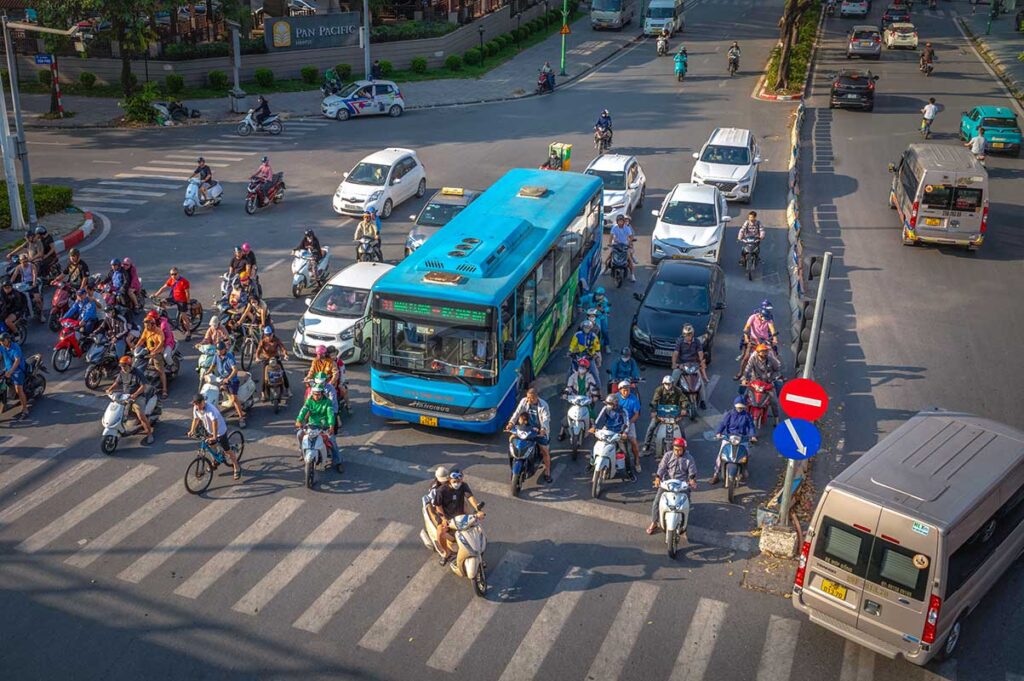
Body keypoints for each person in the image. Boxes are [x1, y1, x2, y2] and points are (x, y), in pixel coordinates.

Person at [432, 469, 485, 564]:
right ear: (449, 480)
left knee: (476, 528)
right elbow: (438, 506)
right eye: (454, 482)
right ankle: (446, 553)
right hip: (447, 517)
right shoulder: (441, 490)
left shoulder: (464, 486)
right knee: (440, 532)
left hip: (460, 515)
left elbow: (470, 498)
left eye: (459, 481)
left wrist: (478, 510)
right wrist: (444, 519)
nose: (457, 483)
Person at [646, 437, 697, 534]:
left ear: (684, 449)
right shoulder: (668, 455)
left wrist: (692, 480)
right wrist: (658, 478)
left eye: (679, 450)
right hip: (667, 483)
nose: (677, 452)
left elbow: (692, 472)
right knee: (657, 502)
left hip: (681, 484)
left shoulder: (689, 458)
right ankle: (654, 522)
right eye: (675, 449)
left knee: (687, 503)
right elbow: (662, 467)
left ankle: (683, 521)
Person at [189, 393, 241, 479]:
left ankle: (236, 466)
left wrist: (215, 436)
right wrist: (192, 431)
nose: (196, 406)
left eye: (198, 404)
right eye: (195, 404)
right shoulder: (196, 408)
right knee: (210, 445)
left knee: (227, 451)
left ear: (203, 402)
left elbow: (214, 422)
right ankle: (215, 461)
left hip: (220, 431)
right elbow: (196, 419)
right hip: (209, 430)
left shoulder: (210, 409)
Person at [507, 387, 552, 484]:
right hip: (525, 428)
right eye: (527, 397)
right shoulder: (524, 401)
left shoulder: (543, 405)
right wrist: (511, 423)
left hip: (538, 431)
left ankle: (547, 472)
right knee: (512, 440)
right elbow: (517, 413)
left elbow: (545, 419)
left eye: (530, 398)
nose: (528, 400)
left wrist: (543, 429)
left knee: (544, 451)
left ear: (536, 397)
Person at [106, 355, 155, 444]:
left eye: (124, 366)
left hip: (138, 397)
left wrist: (135, 394)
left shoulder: (137, 373)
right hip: (125, 396)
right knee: (119, 410)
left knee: (140, 415)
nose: (122, 368)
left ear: (130, 365)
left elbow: (143, 386)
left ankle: (149, 434)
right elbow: (117, 382)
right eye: (121, 366)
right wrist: (110, 389)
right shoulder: (122, 373)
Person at [295, 382, 342, 473]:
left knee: (332, 440)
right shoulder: (309, 401)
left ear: (322, 393)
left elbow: (330, 415)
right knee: (299, 434)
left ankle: (338, 462)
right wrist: (298, 420)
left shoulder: (327, 402)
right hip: (312, 425)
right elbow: (303, 410)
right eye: (314, 394)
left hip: (324, 426)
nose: (316, 396)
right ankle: (302, 452)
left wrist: (331, 425)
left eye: (318, 394)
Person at [712, 396, 757, 483]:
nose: (739, 409)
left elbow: (751, 426)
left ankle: (744, 469)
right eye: (738, 407)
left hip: (742, 438)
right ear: (735, 406)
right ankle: (716, 474)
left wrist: (752, 436)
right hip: (728, 437)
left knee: (747, 453)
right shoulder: (729, 414)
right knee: (720, 455)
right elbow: (723, 424)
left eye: (741, 407)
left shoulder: (747, 416)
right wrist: (718, 433)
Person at [592, 393, 635, 480]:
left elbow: (626, 423)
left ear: (615, 403)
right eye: (607, 403)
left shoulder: (623, 411)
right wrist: (594, 427)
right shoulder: (605, 408)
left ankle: (629, 471)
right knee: (596, 446)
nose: (608, 405)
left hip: (618, 433)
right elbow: (599, 419)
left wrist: (625, 433)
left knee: (625, 453)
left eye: (610, 404)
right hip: (607, 431)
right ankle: (591, 463)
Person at [643, 374, 686, 455]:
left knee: (681, 429)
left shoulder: (678, 390)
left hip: (674, 413)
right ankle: (646, 444)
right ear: (663, 384)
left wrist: (684, 409)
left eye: (669, 384)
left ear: (672, 383)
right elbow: (654, 401)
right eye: (666, 384)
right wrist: (654, 411)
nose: (667, 385)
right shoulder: (659, 390)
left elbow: (684, 400)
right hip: (661, 413)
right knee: (651, 427)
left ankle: (684, 445)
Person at [559, 358, 600, 440]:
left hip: (586, 400)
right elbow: (569, 387)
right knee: (568, 414)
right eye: (580, 366)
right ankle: (561, 432)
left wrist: (595, 396)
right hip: (574, 399)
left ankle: (594, 428)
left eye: (584, 367)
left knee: (591, 413)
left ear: (587, 369)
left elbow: (593, 388)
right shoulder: (573, 376)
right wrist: (565, 394)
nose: (581, 368)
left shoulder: (590, 377)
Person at [207, 340, 246, 427]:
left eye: (221, 349)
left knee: (234, 399)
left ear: (225, 349)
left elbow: (235, 370)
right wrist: (207, 373)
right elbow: (212, 366)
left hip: (232, 380)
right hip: (221, 379)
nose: (219, 351)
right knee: (216, 392)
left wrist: (228, 378)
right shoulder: (216, 356)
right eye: (217, 350)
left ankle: (241, 417)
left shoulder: (229, 357)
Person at [741, 343, 783, 422]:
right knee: (744, 396)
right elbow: (747, 369)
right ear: (758, 352)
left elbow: (777, 370)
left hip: (767, 383)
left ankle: (776, 419)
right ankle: (742, 415)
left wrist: (772, 378)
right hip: (754, 382)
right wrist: (745, 378)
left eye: (766, 351)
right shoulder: (753, 359)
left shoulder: (771, 359)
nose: (764, 353)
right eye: (762, 351)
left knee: (774, 401)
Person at [736, 302, 778, 380]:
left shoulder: (768, 320)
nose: (766, 320)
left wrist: (775, 338)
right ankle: (740, 373)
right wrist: (746, 337)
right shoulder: (753, 317)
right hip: (754, 340)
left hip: (765, 341)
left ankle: (776, 374)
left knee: (773, 356)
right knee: (746, 357)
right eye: (765, 318)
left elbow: (772, 329)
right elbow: (746, 327)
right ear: (761, 315)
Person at [671, 324, 708, 407]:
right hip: (682, 365)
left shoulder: (697, 342)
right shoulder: (680, 341)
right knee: (673, 378)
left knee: (700, 381)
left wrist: (701, 361)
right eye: (686, 334)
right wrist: (674, 364)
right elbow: (675, 353)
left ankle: (702, 401)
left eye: (690, 334)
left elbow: (700, 353)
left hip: (694, 365)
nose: (688, 336)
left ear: (693, 334)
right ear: (683, 334)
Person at [153, 268, 193, 341]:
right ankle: (166, 318)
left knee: (184, 316)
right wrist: (155, 295)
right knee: (162, 302)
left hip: (182, 300)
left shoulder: (184, 281)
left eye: (175, 274)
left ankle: (188, 332)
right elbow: (164, 287)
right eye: (172, 274)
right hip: (173, 298)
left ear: (178, 273)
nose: (173, 276)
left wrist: (188, 303)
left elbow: (187, 293)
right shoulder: (171, 280)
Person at [256, 326, 291, 401]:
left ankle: (287, 389)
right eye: (266, 335)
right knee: (264, 377)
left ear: (272, 334)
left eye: (269, 335)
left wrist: (285, 354)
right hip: (266, 359)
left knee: (283, 373)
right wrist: (257, 358)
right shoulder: (263, 341)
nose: (268, 337)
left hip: (275, 358)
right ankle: (263, 393)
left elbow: (282, 348)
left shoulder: (276, 340)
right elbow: (258, 350)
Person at [137, 316, 168, 399]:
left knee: (160, 371)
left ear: (153, 324)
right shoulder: (146, 330)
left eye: (148, 325)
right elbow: (142, 339)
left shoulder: (159, 332)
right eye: (145, 325)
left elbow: (161, 343)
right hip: (148, 351)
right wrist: (136, 347)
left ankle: (164, 390)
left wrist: (154, 352)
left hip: (157, 352)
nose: (146, 327)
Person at [0, 332, 29, 420]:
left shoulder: (15, 347)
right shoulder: (2, 347)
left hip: (17, 370)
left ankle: (25, 409)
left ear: (8, 340)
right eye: (0, 341)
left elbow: (17, 361)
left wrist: (11, 371)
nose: (1, 342)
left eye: (3, 341)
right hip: (8, 369)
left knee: (18, 390)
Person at [617, 380, 643, 473]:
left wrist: (628, 423)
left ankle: (637, 462)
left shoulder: (633, 399)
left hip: (629, 422)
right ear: (620, 390)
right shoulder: (615, 398)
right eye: (624, 390)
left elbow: (636, 414)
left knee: (634, 443)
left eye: (628, 389)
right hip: (617, 422)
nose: (626, 391)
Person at [569, 319, 602, 384]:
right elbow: (573, 344)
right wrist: (570, 351)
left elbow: (597, 345)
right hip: (579, 355)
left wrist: (596, 352)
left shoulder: (593, 336)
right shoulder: (577, 335)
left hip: (590, 356)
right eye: (585, 328)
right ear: (582, 328)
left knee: (594, 372)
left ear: (590, 328)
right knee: (571, 371)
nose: (586, 329)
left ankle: (598, 387)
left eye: (588, 328)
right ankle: (567, 387)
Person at [606, 214, 636, 282]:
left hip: (624, 245)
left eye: (621, 221)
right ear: (617, 221)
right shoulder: (614, 227)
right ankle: (606, 269)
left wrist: (629, 243)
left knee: (629, 260)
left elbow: (631, 237)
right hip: (616, 245)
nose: (620, 222)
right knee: (609, 258)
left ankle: (632, 275)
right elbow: (611, 236)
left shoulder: (627, 228)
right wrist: (610, 243)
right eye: (619, 221)